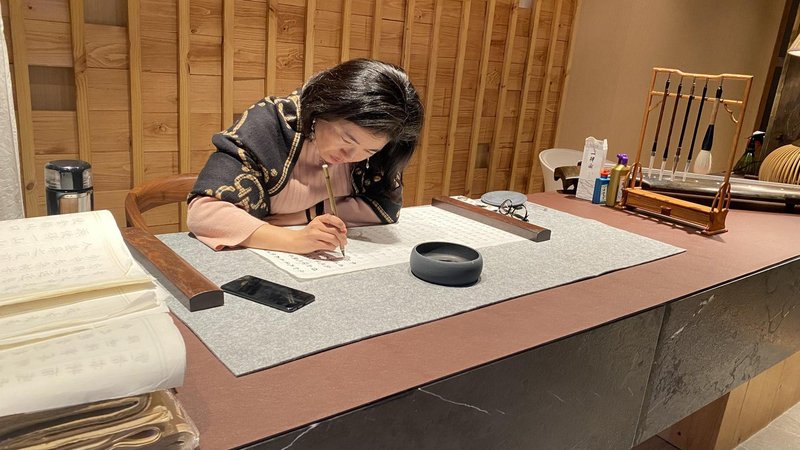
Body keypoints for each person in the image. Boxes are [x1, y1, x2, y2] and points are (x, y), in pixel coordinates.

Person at [187, 59, 423, 255]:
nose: (352, 157)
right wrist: (294, 240)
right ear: (323, 107)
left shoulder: (382, 145)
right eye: (347, 139)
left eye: (369, 151)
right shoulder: (270, 123)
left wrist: (310, 214)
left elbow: (387, 207)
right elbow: (204, 213)